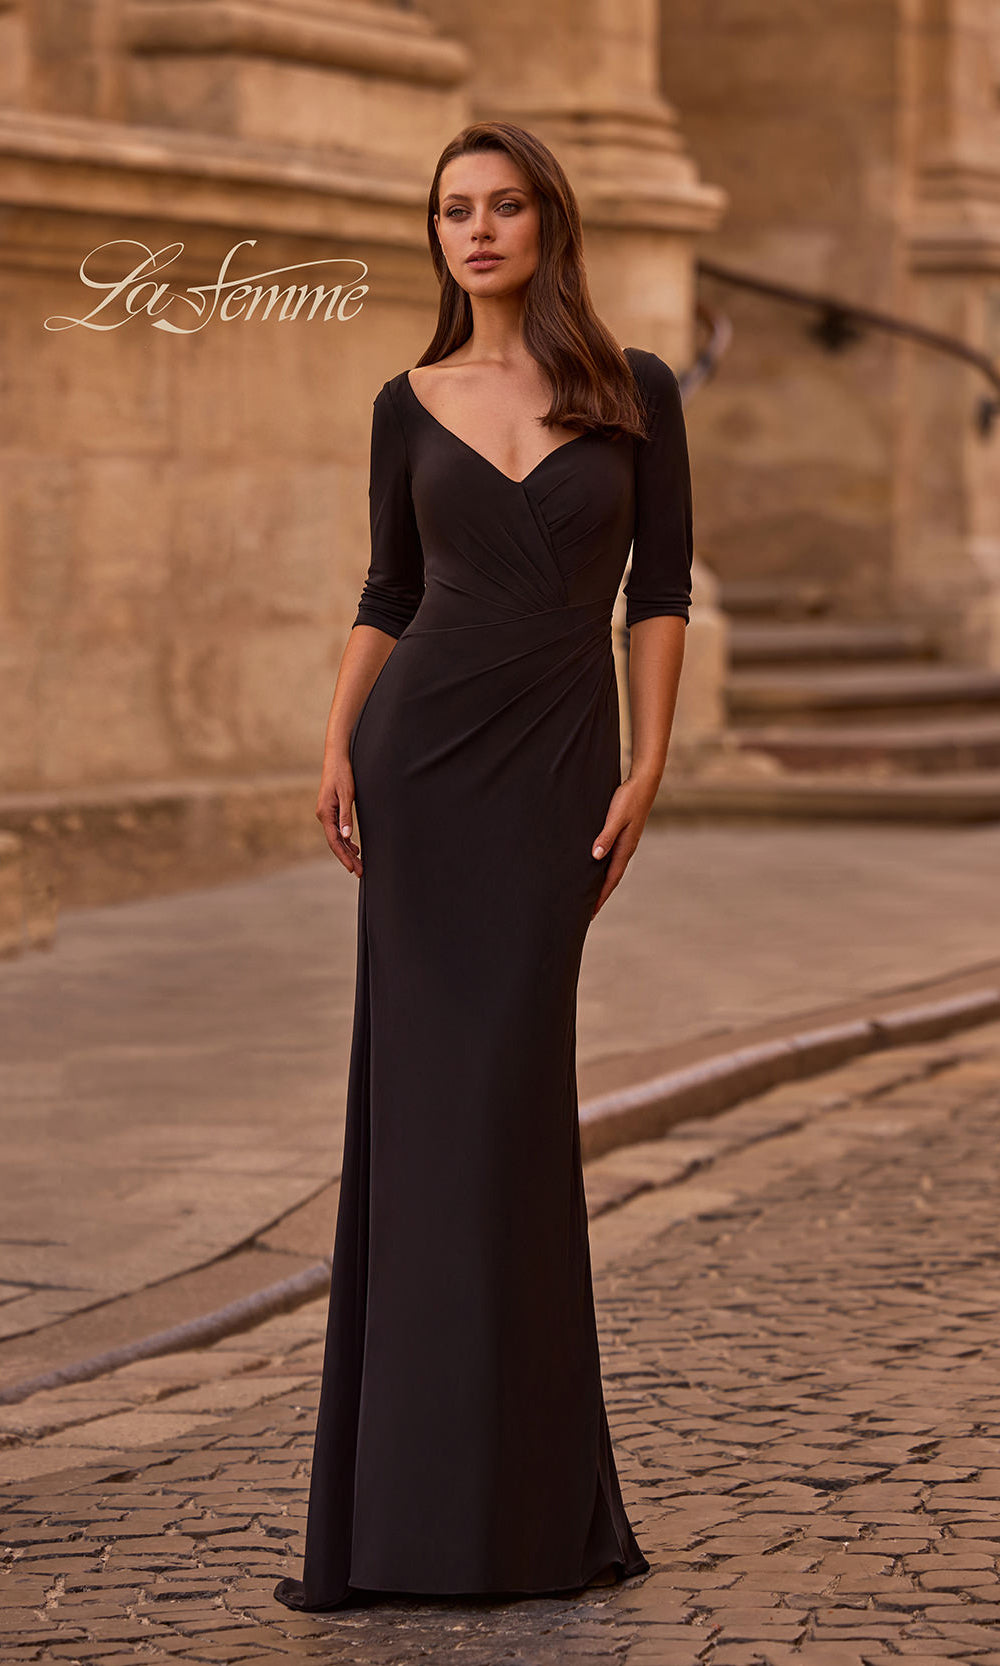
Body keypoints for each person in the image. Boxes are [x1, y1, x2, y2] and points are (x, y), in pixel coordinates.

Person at [273, 119, 693, 1613]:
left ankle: (523, 1505)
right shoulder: (406, 401)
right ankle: (413, 1518)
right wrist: (336, 742)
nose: (479, 230)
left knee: (511, 1104)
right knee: (427, 1117)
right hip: (421, 765)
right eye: (455, 209)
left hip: (557, 770)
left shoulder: (634, 391)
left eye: (505, 205)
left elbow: (660, 586)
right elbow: (388, 584)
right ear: (436, 231)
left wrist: (649, 760)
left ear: (546, 222)